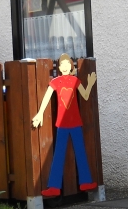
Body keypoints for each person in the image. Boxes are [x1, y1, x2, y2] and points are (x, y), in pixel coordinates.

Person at [32, 53, 97, 197]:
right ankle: (54, 186)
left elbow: (85, 95)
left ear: (71, 66)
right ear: (59, 67)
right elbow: (47, 97)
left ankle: (86, 182)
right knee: (58, 154)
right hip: (61, 123)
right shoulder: (56, 82)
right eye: (62, 65)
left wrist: (90, 83)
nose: (65, 67)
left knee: (80, 152)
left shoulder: (75, 80)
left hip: (75, 123)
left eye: (68, 64)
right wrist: (40, 113)